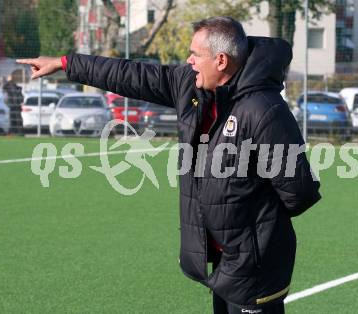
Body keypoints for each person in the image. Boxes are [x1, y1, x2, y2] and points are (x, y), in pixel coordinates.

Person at [17, 17, 321, 314]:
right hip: (225, 264)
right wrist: (66, 63)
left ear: (221, 61)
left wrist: (252, 222)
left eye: (195, 55)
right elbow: (131, 75)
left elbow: (299, 191)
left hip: (256, 265)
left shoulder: (264, 110)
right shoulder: (191, 86)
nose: (188, 60)